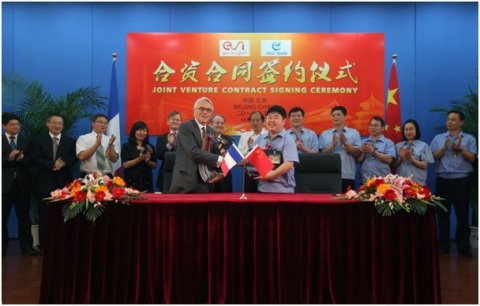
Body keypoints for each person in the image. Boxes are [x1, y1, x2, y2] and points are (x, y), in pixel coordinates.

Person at [430, 110, 477, 257]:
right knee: (442, 214)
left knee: (462, 214)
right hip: (443, 180)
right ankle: (443, 245)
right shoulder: (438, 138)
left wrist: (460, 148)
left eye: (453, 119)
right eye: (448, 119)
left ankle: (463, 247)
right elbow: (433, 157)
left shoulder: (469, 138)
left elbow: (473, 158)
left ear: (461, 122)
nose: (449, 122)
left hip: (462, 180)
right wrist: (444, 147)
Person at [30, 114, 78, 254]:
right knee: (44, 216)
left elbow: (74, 158)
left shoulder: (70, 141)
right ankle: (45, 246)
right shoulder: (39, 141)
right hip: (44, 183)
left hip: (64, 183)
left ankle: (64, 245)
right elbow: (35, 158)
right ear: (48, 123)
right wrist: (52, 164)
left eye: (60, 124)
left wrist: (63, 163)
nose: (57, 126)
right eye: (55, 123)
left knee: (65, 215)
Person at [169, 97, 225, 193]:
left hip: (206, 181)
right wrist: (219, 159)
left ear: (211, 113)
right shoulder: (185, 127)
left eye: (208, 110)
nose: (205, 112)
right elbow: (193, 152)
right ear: (194, 111)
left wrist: (221, 171)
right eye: (201, 109)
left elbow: (215, 151)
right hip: (186, 182)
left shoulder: (211, 131)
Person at [2, 112, 38, 256]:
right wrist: (8, 158)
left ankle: (27, 246)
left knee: (24, 217)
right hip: (4, 186)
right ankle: (2, 248)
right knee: (1, 218)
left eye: (18, 124)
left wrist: (23, 159)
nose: (16, 126)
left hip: (23, 185)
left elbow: (33, 160)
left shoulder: (26, 141)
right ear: (4, 126)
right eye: (13, 124)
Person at [251, 105, 299, 193]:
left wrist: (272, 175)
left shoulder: (288, 139)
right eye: (269, 117)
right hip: (262, 189)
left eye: (276, 117)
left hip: (283, 190)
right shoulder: (260, 139)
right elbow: (252, 158)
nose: (272, 120)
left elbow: (289, 164)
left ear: (283, 121)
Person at [318, 105, 362, 192]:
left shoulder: (354, 133)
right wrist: (332, 146)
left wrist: (345, 144)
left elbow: (357, 153)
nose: (335, 117)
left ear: (345, 116)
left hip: (347, 175)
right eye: (333, 115)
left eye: (338, 115)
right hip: (329, 174)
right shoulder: (325, 134)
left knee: (346, 202)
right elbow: (321, 155)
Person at [393, 119, 433, 185]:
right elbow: (394, 165)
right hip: (401, 183)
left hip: (417, 183)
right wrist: (400, 158)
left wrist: (412, 160)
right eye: (406, 129)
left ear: (416, 130)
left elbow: (425, 165)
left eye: (411, 129)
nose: (408, 132)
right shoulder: (398, 146)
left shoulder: (424, 146)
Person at [357, 116, 396, 184]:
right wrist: (364, 153)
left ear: (383, 128)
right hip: (365, 180)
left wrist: (373, 152)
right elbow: (358, 160)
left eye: (376, 125)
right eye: (371, 125)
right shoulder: (363, 142)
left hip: (383, 181)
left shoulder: (388, 142)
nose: (373, 127)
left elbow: (389, 159)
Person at [121, 121, 157, 192]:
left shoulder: (150, 147)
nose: (142, 133)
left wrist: (148, 161)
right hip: (131, 182)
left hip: (147, 182)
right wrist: (139, 159)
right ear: (134, 131)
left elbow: (154, 165)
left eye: (144, 131)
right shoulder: (127, 146)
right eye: (139, 130)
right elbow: (125, 165)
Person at [237, 111, 267, 193]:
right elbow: (240, 155)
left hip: (265, 173)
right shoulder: (245, 136)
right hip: (249, 173)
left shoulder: (268, 135)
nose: (255, 123)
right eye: (252, 120)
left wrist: (252, 148)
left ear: (263, 121)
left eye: (257, 120)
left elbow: (267, 155)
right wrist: (249, 149)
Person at [156, 111, 182, 192]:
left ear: (181, 122)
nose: (175, 121)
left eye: (177, 120)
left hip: (181, 174)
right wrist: (169, 145)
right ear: (168, 122)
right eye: (173, 119)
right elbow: (159, 156)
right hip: (165, 175)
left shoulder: (186, 137)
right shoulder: (161, 138)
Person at [208, 114, 234, 192]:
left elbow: (232, 160)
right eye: (217, 123)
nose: (220, 125)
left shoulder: (229, 140)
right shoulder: (206, 138)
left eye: (222, 123)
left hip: (225, 178)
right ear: (211, 124)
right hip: (209, 177)